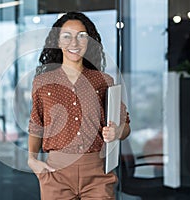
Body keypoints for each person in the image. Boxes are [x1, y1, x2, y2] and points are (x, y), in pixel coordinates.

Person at [28, 12, 131, 200]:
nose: (74, 43)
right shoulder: (43, 82)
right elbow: (36, 125)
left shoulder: (103, 81)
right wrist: (32, 160)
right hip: (56, 172)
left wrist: (117, 132)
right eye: (67, 36)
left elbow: (125, 126)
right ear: (57, 42)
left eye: (81, 36)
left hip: (97, 173)